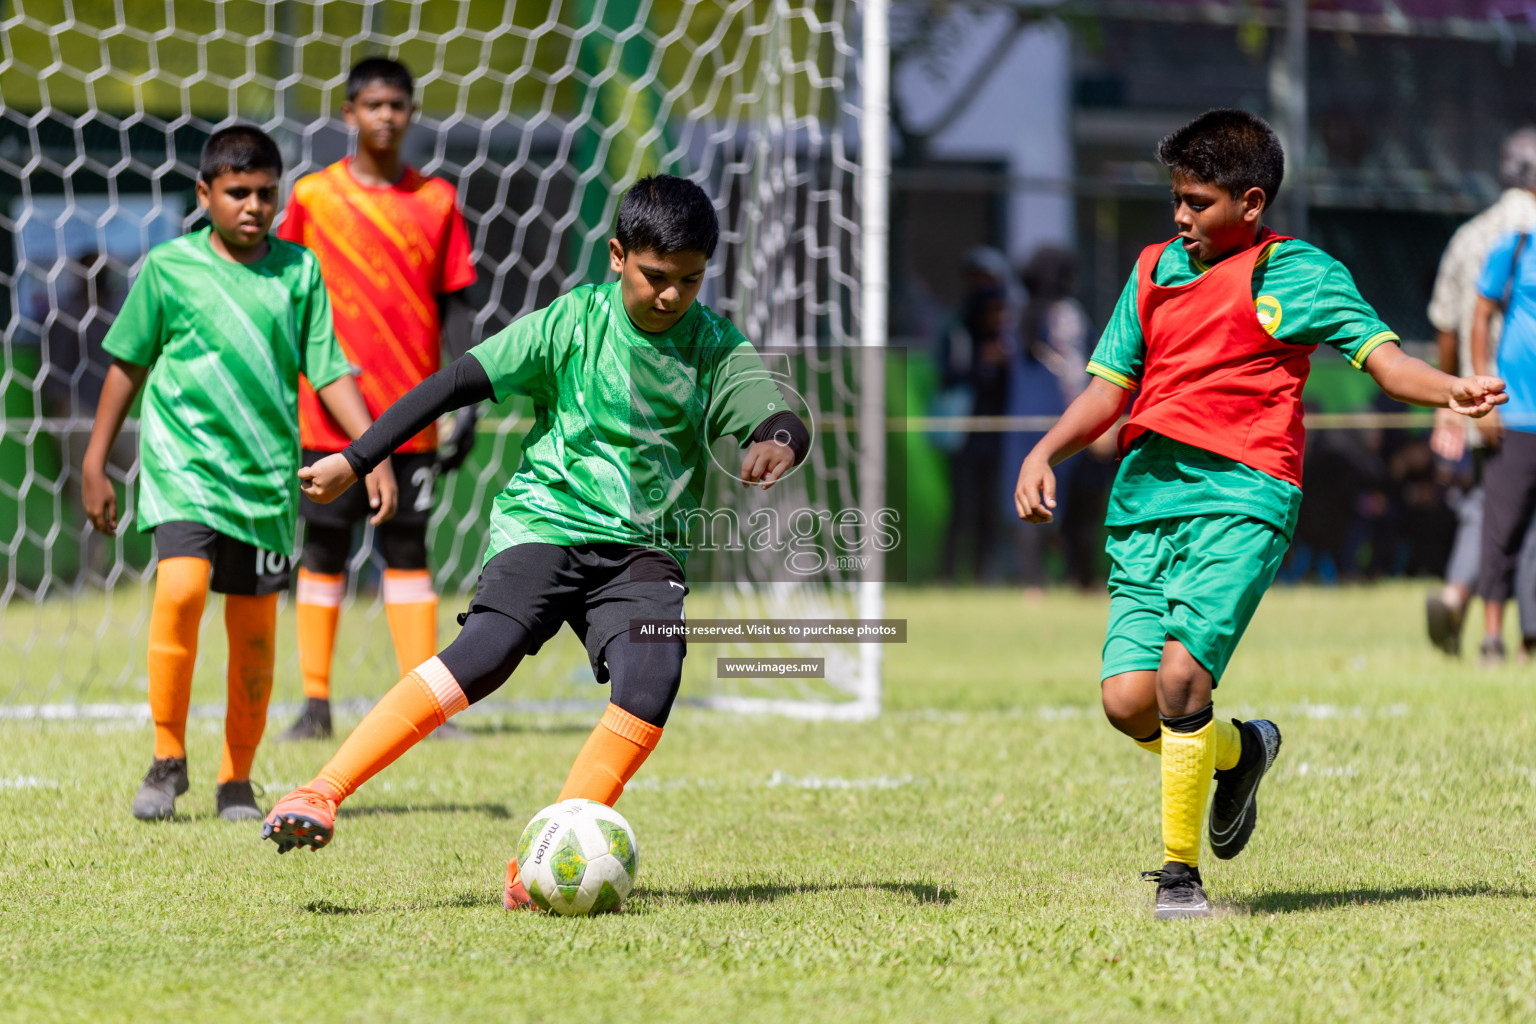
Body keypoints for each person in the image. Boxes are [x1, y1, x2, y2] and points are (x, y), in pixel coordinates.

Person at [259, 174, 810, 913]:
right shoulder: (570, 322)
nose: (672, 295)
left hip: (644, 550)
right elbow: (457, 381)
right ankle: (321, 791)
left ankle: (538, 864)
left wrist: (777, 441)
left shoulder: (714, 345)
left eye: (689, 279)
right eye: (655, 276)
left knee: (653, 679)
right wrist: (358, 457)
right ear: (617, 255)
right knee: (484, 656)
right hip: (546, 522)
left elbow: (774, 412)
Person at [1014, 109, 1505, 920]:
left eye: (1197, 202)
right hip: (1146, 503)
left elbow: (1384, 361)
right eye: (1175, 198)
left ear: (1250, 202)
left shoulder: (1302, 275)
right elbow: (1108, 388)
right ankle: (1242, 753)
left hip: (1244, 498)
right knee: (1127, 701)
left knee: (1179, 679)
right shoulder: (1152, 271)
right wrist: (1043, 453)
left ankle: (1179, 880)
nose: (1180, 216)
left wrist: (1448, 389)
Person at [80, 126, 397, 822]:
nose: (253, 206)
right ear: (205, 194)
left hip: (262, 480)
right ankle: (166, 761)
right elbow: (127, 364)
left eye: (265, 193)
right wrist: (94, 460)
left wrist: (370, 448)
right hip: (182, 466)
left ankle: (236, 781)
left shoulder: (299, 272)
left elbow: (329, 368)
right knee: (183, 593)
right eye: (237, 193)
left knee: (254, 631)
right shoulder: (169, 270)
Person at [275, 58, 480, 740]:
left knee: (408, 549)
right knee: (324, 548)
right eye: (373, 104)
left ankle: (421, 702)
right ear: (349, 112)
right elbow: (285, 297)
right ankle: (314, 703)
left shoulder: (439, 201)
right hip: (324, 410)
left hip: (413, 412)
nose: (386, 116)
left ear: (412, 113)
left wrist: (469, 395)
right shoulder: (312, 197)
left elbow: (456, 304)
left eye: (398, 104)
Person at [1424, 129, 1536, 656]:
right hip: (1511, 400)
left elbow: (1446, 323)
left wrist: (1446, 402)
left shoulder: (1470, 235)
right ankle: (1473, 607)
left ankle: (1456, 595)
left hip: (1467, 395)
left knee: (1485, 505)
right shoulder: (1519, 236)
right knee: (1498, 512)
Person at [1470, 225, 1536, 662]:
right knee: (1501, 531)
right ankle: (1493, 638)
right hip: (1515, 415)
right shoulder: (1516, 246)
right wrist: (1486, 398)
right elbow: (1480, 316)